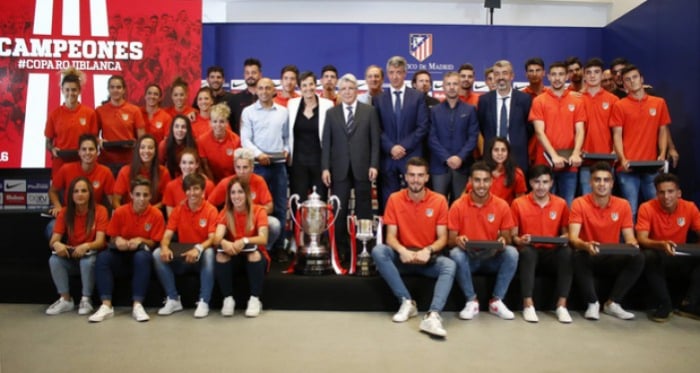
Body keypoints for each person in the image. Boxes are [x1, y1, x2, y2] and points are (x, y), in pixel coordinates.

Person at [371, 157, 455, 338]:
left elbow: (443, 238)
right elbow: (390, 237)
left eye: (420, 175)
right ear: (406, 177)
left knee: (449, 265)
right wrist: (402, 250)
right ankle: (407, 302)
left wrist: (428, 250)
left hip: (428, 259)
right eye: (412, 175)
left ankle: (433, 315)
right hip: (404, 257)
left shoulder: (439, 200)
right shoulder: (394, 199)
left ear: (427, 178)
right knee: (379, 251)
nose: (415, 179)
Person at [569, 162, 644, 320]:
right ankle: (592, 303)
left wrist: (632, 243)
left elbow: (629, 236)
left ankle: (613, 303)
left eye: (606, 180)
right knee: (576, 255)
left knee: (638, 257)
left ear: (612, 183)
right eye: (597, 180)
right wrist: (585, 245)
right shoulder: (579, 203)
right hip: (589, 253)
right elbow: (573, 238)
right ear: (590, 182)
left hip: (612, 255)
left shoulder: (623, 205)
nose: (601, 184)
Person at [448, 161, 518, 321]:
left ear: (491, 182)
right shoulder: (458, 205)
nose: (481, 185)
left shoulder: (502, 205)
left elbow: (507, 238)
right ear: (470, 181)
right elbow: (450, 240)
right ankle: (471, 301)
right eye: (477, 180)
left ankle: (497, 301)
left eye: (485, 180)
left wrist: (502, 240)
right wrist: (458, 239)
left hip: (492, 257)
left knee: (512, 253)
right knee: (456, 254)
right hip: (468, 259)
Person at [89, 177, 166, 322]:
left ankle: (137, 305)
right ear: (131, 195)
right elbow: (111, 237)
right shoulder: (120, 212)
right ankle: (106, 305)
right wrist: (117, 240)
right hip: (120, 255)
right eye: (137, 195)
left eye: (145, 195)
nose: (141, 199)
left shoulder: (156, 214)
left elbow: (155, 243)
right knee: (103, 258)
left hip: (141, 256)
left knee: (142, 257)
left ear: (150, 196)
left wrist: (141, 240)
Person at [321, 73, 380, 258]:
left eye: (351, 88)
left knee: (364, 210)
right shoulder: (332, 113)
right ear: (339, 91)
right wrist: (325, 168)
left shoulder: (369, 111)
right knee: (339, 210)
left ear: (357, 90)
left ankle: (364, 250)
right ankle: (342, 251)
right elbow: (327, 143)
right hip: (339, 169)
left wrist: (374, 165)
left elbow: (375, 142)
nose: (347, 92)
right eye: (343, 89)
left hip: (363, 167)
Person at [511, 165, 572, 323]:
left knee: (567, 253)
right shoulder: (518, 203)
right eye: (537, 182)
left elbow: (566, 233)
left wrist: (565, 238)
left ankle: (561, 306)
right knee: (527, 252)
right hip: (530, 251)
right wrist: (520, 240)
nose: (541, 186)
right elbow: (513, 236)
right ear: (530, 183)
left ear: (551, 183)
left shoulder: (561, 204)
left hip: (552, 252)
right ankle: (528, 305)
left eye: (545, 182)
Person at [636, 173, 700, 321]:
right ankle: (665, 305)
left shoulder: (690, 207)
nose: (666, 196)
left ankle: (689, 303)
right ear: (656, 193)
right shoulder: (646, 208)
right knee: (648, 256)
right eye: (661, 192)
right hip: (658, 255)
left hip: (682, 256)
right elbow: (642, 239)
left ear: (679, 193)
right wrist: (661, 244)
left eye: (670, 191)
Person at [610, 64, 671, 220]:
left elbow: (663, 130)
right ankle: (631, 243)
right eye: (627, 80)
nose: (632, 82)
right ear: (623, 85)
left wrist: (662, 154)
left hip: (651, 165)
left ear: (642, 79)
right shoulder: (619, 105)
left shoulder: (659, 103)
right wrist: (622, 159)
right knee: (631, 211)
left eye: (635, 77)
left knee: (656, 209)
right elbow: (617, 135)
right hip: (628, 167)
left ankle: (655, 243)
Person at [153, 173, 218, 318]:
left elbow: (212, 239)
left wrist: (198, 249)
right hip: (182, 257)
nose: (192, 193)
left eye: (196, 189)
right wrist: (164, 246)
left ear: (203, 191)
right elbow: (167, 235)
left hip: (200, 257)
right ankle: (173, 299)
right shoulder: (178, 209)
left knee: (209, 253)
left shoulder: (211, 210)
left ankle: (204, 301)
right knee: (157, 253)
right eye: (188, 189)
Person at [240, 77, 289, 261]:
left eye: (267, 88)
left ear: (273, 90)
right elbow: (246, 140)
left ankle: (279, 246)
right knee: (255, 206)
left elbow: (286, 138)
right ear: (256, 90)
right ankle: (255, 244)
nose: (264, 91)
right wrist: (259, 154)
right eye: (260, 88)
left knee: (280, 207)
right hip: (258, 165)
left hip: (278, 165)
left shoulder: (283, 112)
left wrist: (287, 150)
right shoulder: (248, 112)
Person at [46, 177, 108, 316]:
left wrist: (86, 245)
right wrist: (57, 244)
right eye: (76, 191)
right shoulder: (64, 212)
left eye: (84, 191)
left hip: (91, 255)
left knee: (88, 261)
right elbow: (54, 240)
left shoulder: (100, 210)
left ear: (90, 193)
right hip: (72, 255)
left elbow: (100, 241)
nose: (80, 194)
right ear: (71, 195)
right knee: (54, 260)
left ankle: (86, 299)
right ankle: (65, 299)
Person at [529, 62, 586, 206]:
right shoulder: (539, 100)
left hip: (569, 164)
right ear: (548, 76)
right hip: (545, 163)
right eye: (553, 74)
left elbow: (580, 129)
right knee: (544, 205)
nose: (557, 78)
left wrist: (576, 153)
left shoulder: (576, 101)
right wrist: (554, 156)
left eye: (561, 74)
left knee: (567, 205)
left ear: (567, 76)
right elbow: (539, 131)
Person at [375, 56, 429, 208]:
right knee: (388, 202)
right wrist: (391, 147)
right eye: (392, 72)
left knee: (414, 202)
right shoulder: (378, 99)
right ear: (387, 74)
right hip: (388, 158)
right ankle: (389, 232)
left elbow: (422, 126)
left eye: (399, 72)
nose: (395, 76)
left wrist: (402, 147)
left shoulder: (417, 96)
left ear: (405, 73)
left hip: (411, 157)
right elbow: (376, 128)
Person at [213, 179, 270, 318]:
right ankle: (228, 299)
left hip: (254, 255)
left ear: (247, 194)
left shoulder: (258, 210)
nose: (236, 196)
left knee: (254, 255)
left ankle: (255, 299)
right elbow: (216, 238)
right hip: (234, 255)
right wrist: (224, 242)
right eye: (233, 192)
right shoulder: (226, 211)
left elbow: (263, 238)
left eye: (240, 192)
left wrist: (245, 240)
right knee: (220, 256)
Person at [208, 148, 281, 250]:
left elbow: (270, 206)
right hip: (232, 220)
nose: (241, 171)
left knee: (274, 224)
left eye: (245, 167)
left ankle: (263, 249)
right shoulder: (226, 183)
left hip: (253, 220)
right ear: (234, 167)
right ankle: (227, 248)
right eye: (238, 167)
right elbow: (209, 205)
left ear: (252, 167)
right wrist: (221, 218)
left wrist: (253, 213)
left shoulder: (259, 181)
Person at [428, 71, 479, 203]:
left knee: (460, 205)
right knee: (438, 204)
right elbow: (431, 138)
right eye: (448, 84)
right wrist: (446, 158)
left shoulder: (470, 110)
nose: (451, 87)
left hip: (462, 166)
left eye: (455, 84)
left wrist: (460, 157)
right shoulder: (434, 111)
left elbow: (473, 137)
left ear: (460, 86)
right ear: (443, 87)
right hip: (439, 166)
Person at [478, 60, 534, 175]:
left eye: (505, 73)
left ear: (512, 76)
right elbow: (482, 127)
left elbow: (529, 128)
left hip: (517, 155)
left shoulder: (525, 99)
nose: (501, 77)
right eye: (497, 74)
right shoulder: (484, 100)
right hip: (491, 157)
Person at [288, 71, 334, 202]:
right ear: (299, 87)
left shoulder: (328, 105)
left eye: (311, 84)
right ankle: (296, 224)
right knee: (297, 202)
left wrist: (327, 165)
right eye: (304, 85)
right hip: (297, 163)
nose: (308, 88)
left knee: (320, 202)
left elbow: (330, 136)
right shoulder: (292, 104)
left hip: (319, 163)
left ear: (316, 85)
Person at [44, 67, 97, 179]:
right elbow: (48, 142)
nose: (70, 93)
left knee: (82, 194)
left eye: (74, 90)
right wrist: (52, 149)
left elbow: (93, 141)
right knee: (59, 195)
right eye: (67, 89)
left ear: (79, 90)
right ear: (62, 90)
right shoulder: (54, 114)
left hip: (82, 162)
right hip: (60, 162)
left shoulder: (90, 113)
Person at [579, 58, 619, 195]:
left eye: (596, 72)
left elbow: (618, 129)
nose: (592, 75)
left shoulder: (613, 100)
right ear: (584, 76)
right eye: (588, 72)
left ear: (602, 75)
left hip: (606, 157)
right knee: (586, 198)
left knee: (606, 199)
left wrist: (615, 149)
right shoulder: (577, 99)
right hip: (584, 158)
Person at [49, 134, 115, 216]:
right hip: (70, 215)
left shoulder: (105, 172)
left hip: (93, 216)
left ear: (97, 152)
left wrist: (116, 213)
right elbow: (52, 191)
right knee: (51, 227)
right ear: (79, 152)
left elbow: (113, 200)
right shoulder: (66, 169)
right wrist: (58, 206)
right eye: (84, 149)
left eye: (91, 149)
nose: (87, 153)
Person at [96, 75, 146, 176]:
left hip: (128, 161)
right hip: (107, 161)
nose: (115, 90)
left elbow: (142, 138)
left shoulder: (134, 110)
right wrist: (99, 141)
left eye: (118, 87)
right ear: (108, 90)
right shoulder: (100, 110)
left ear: (124, 90)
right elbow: (93, 135)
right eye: (112, 87)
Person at [113, 134, 170, 209]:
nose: (146, 151)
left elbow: (165, 200)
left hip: (153, 214)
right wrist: (125, 214)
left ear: (155, 151)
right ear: (137, 150)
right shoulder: (125, 171)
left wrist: (149, 212)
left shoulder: (164, 172)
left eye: (150, 148)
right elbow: (115, 200)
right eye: (142, 147)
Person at [162, 148, 215, 217]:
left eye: (191, 163)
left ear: (197, 165)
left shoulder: (208, 185)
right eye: (184, 162)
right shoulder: (171, 186)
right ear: (180, 164)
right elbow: (171, 216)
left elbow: (211, 213)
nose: (187, 166)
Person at [474, 137, 527, 205]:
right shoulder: (480, 171)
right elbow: (468, 194)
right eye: (496, 150)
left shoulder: (516, 174)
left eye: (503, 150)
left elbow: (520, 202)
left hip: (506, 213)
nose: (500, 153)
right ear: (490, 152)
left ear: (508, 153)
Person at [197, 103, 241, 183]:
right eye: (215, 121)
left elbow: (238, 166)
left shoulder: (236, 140)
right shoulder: (202, 140)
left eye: (222, 121)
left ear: (227, 122)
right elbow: (205, 166)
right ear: (209, 123)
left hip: (232, 181)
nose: (218, 125)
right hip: (211, 181)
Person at [159, 114, 198, 179]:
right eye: (176, 126)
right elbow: (159, 168)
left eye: (183, 127)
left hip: (190, 179)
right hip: (170, 178)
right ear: (172, 128)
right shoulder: (163, 145)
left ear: (188, 129)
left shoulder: (194, 144)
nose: (180, 130)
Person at [230, 58, 262, 134]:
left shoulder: (270, 98)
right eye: (247, 73)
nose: (250, 75)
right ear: (244, 75)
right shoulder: (235, 99)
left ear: (260, 74)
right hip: (242, 143)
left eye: (254, 73)